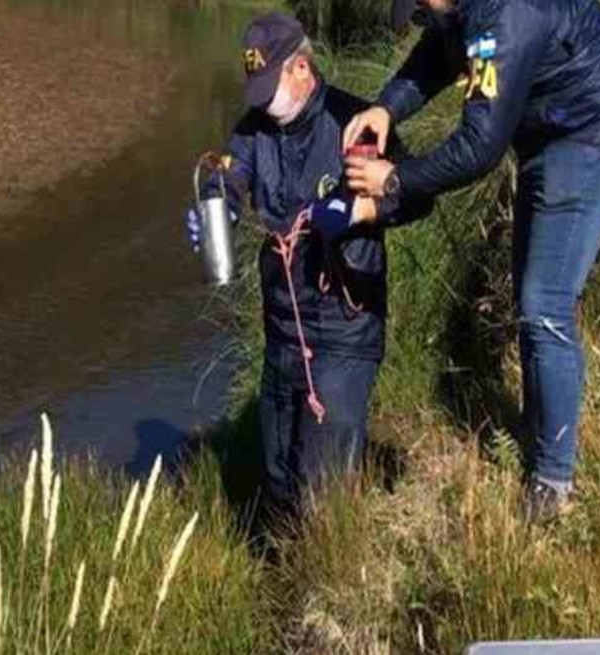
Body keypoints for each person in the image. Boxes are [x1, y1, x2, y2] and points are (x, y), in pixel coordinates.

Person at [341, 0, 600, 522]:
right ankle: (539, 426)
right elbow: (438, 52)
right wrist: (386, 107)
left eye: (419, 5)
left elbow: (479, 147)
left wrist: (393, 179)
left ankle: (553, 480)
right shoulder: (462, 9)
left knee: (543, 305)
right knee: (536, 297)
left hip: (593, 136)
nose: (420, 12)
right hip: (550, 133)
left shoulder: (508, 16)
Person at [185, 13, 433, 546]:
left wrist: (367, 210)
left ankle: (335, 579)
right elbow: (229, 173)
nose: (261, 101)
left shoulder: (356, 121)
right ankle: (285, 573)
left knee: (323, 491)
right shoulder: (255, 127)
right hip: (282, 329)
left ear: (301, 68)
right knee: (278, 478)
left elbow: (418, 195)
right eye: (254, 89)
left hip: (344, 328)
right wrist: (215, 204)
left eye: (269, 87)